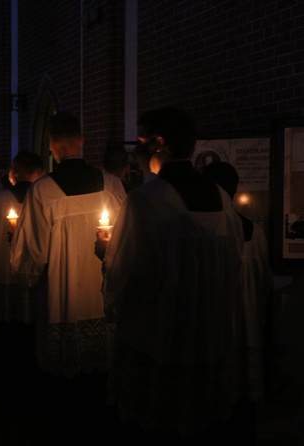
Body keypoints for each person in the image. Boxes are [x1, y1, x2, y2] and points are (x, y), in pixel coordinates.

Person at [102, 107, 247, 442]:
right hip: (208, 335)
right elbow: (233, 263)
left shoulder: (146, 200)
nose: (135, 151)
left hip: (162, 337)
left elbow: (129, 278)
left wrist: (105, 258)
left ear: (159, 144)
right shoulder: (222, 199)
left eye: (140, 142)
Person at [9, 110, 127, 379]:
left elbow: (31, 256)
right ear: (82, 140)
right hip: (103, 292)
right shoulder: (112, 185)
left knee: (66, 377)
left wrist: (23, 271)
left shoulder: (42, 191)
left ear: (53, 145)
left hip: (62, 297)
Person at [201, 161, 274, 407]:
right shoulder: (256, 232)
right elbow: (264, 282)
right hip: (248, 325)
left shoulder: (204, 234)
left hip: (217, 331)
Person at [0, 150, 45, 384]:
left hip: (3, 275)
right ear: (41, 173)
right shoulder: (47, 199)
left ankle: (3, 377)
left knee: (4, 334)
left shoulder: (1, 199)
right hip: (36, 279)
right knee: (30, 333)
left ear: (14, 173)